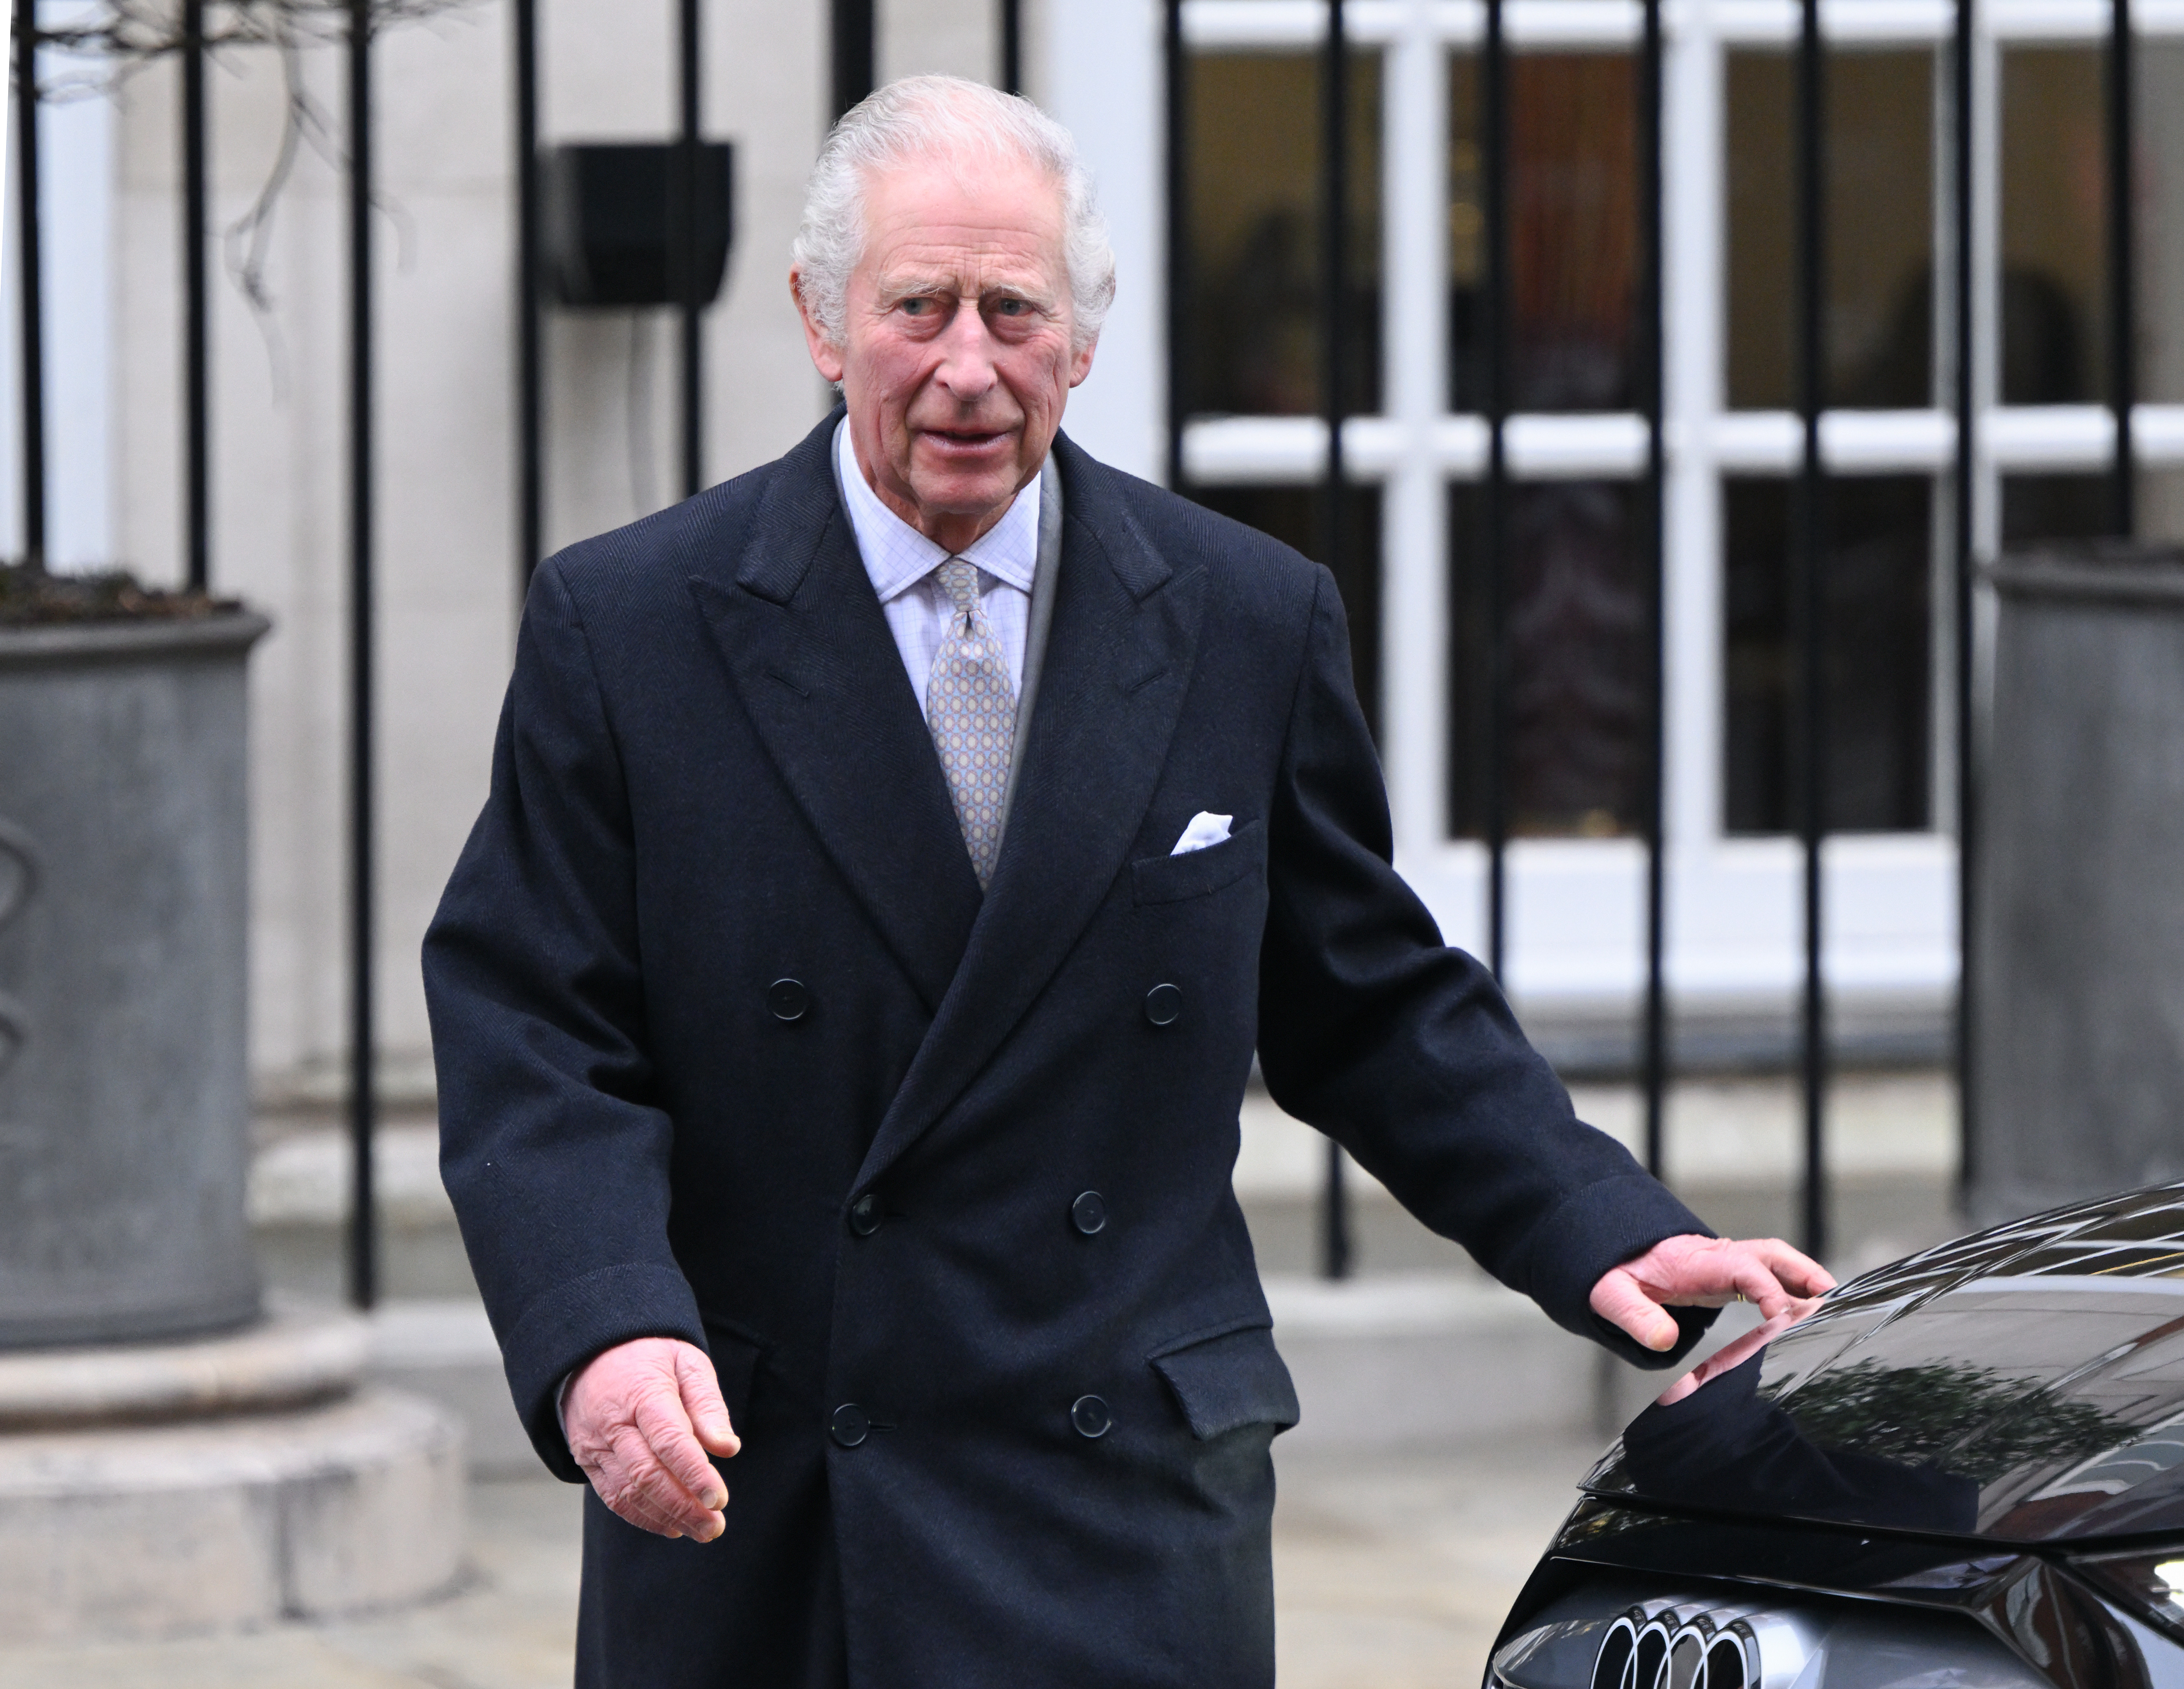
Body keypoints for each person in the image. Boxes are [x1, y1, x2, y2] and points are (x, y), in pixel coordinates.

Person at [423, 73, 1832, 1689]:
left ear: (1084, 340)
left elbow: (1364, 1001)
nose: (968, 366)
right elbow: (533, 1023)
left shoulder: (1242, 615)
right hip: (780, 1495)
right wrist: (602, 1320)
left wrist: (1599, 1224)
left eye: (1014, 312)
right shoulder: (634, 625)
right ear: (822, 321)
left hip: (1117, 1498)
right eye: (919, 307)